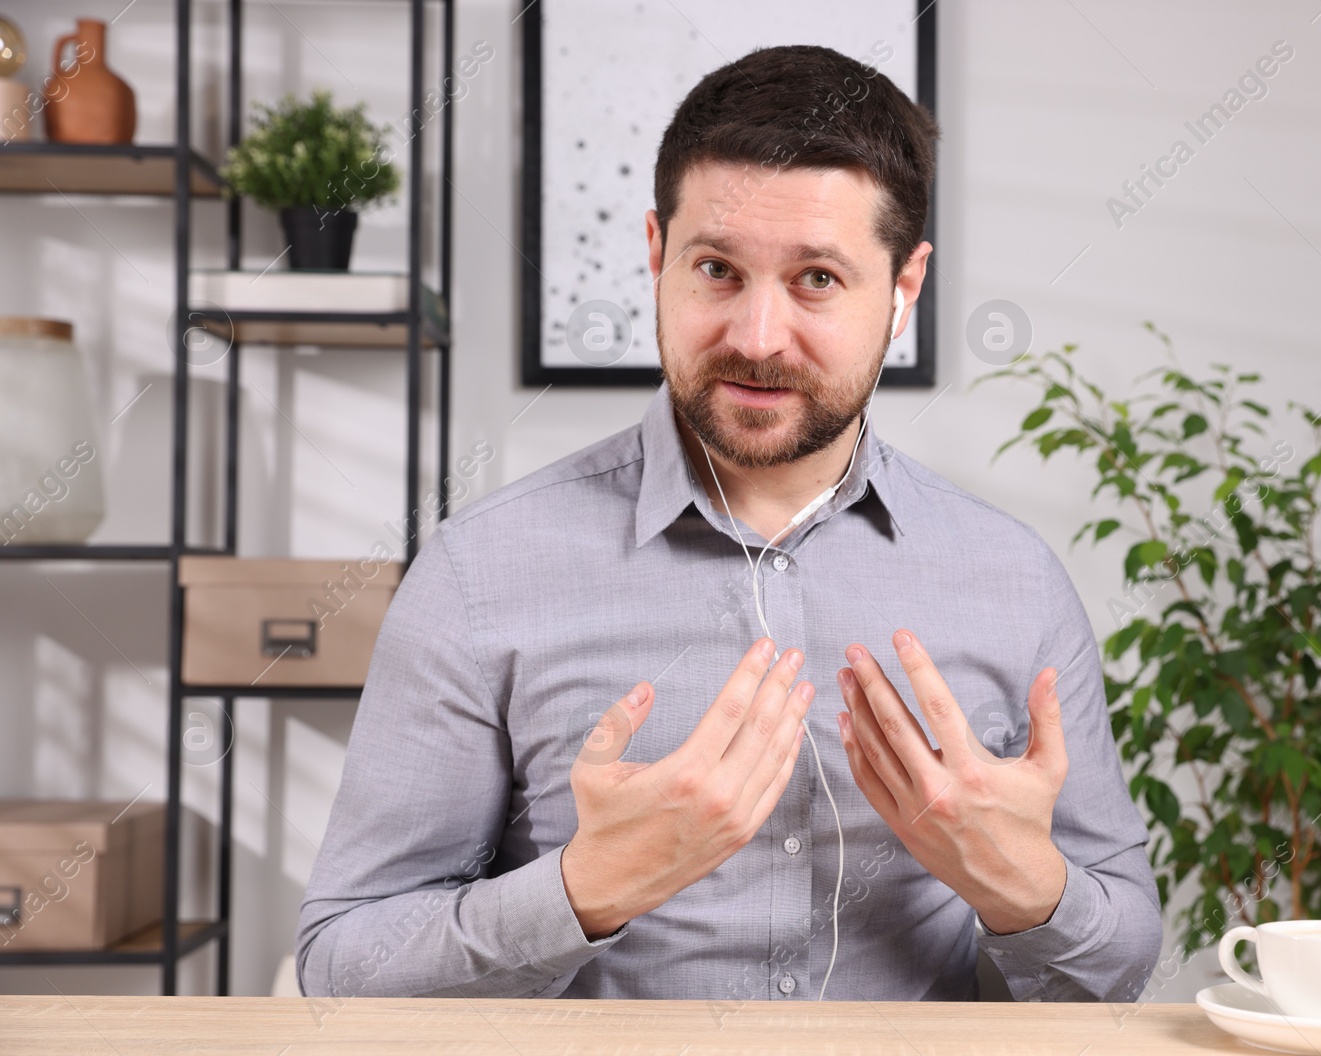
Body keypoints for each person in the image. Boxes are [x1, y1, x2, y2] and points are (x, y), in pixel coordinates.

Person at [297, 43, 1161, 1004]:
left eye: (818, 279)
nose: (756, 337)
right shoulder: (478, 572)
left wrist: (1027, 891)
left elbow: (1121, 963)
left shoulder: (1014, 579)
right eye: (717, 269)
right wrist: (582, 891)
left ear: (904, 287)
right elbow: (342, 964)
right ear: (658, 254)